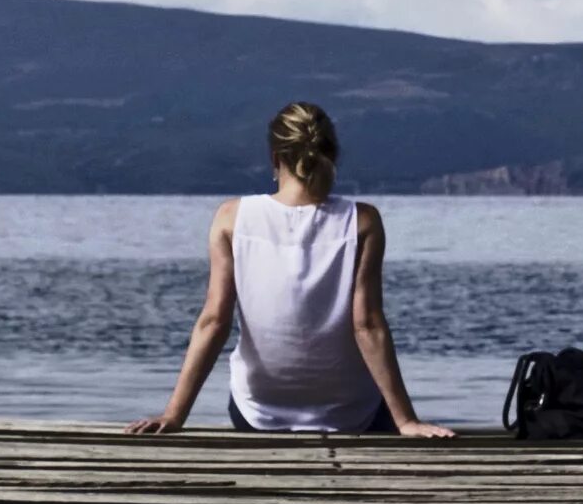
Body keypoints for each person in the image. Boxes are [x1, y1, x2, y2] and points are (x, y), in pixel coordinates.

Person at [127, 102, 456, 438]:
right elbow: (367, 324)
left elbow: (214, 322)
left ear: (275, 159)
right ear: (332, 155)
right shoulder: (362, 220)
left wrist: (174, 414)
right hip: (351, 415)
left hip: (258, 412)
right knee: (376, 406)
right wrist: (406, 422)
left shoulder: (231, 217)